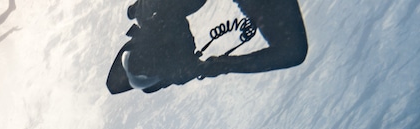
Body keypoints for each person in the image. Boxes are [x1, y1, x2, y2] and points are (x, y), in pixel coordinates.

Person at [107, 0, 307, 95]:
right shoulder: (153, 11)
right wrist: (217, 66)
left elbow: (291, 52)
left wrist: (217, 66)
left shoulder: (159, 8)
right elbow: (291, 52)